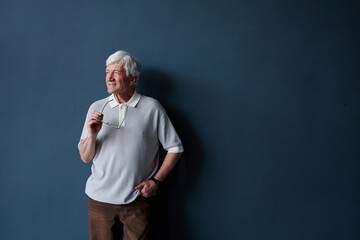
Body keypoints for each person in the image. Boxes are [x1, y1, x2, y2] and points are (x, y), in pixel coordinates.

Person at [78, 50, 183, 240]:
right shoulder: (96, 108)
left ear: (132, 79)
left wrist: (155, 181)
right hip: (99, 202)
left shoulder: (152, 108)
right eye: (107, 72)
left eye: (116, 72)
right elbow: (85, 157)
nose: (109, 78)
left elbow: (175, 148)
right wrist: (92, 134)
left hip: (137, 201)